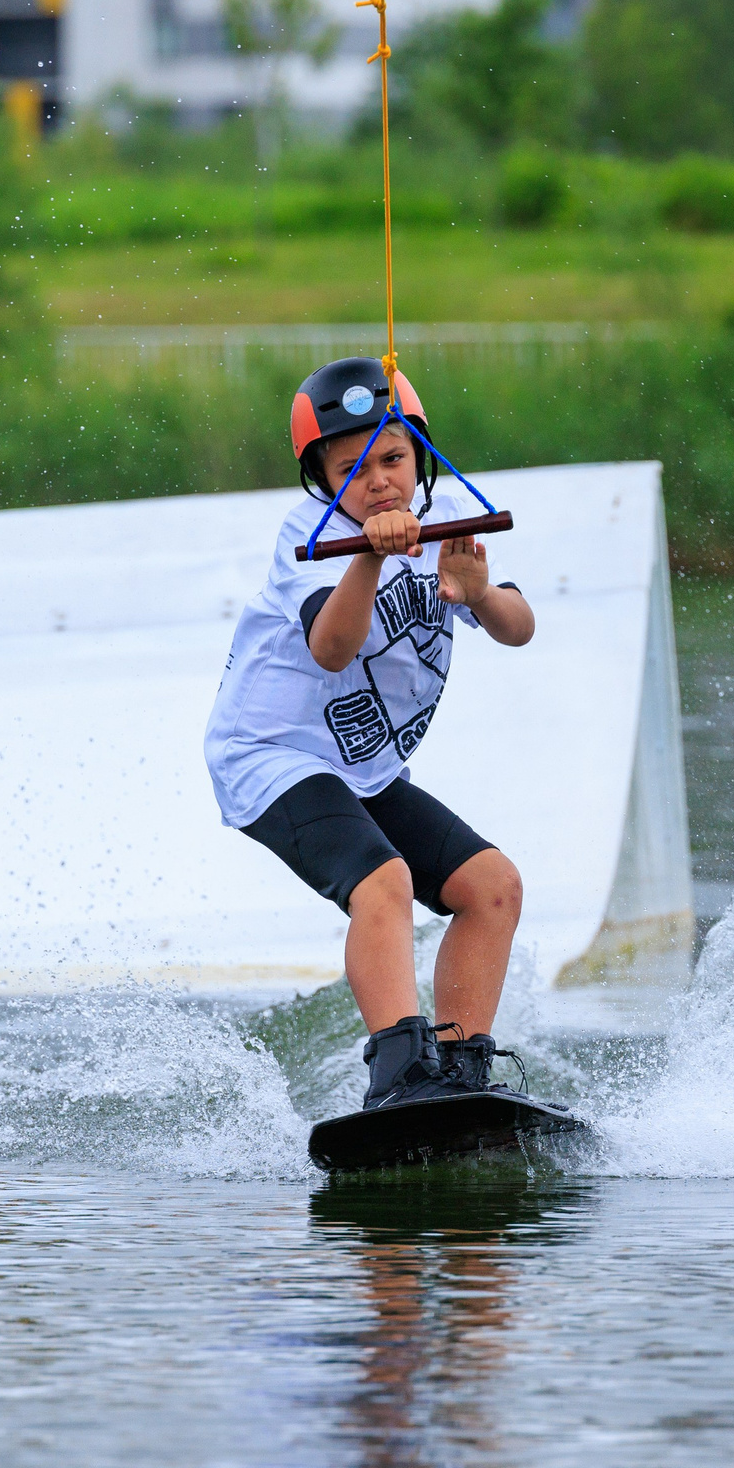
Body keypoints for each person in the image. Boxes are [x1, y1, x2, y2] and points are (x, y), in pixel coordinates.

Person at [204, 357, 537, 1110]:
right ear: (322, 482)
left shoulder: (444, 520)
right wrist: (367, 557)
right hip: (271, 757)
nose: (380, 480)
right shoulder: (309, 532)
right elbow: (331, 646)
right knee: (382, 880)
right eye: (354, 468)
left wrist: (480, 592)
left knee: (492, 887)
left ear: (419, 458)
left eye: (393, 459)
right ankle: (399, 1077)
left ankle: (461, 1073)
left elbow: (518, 628)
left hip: (365, 769)